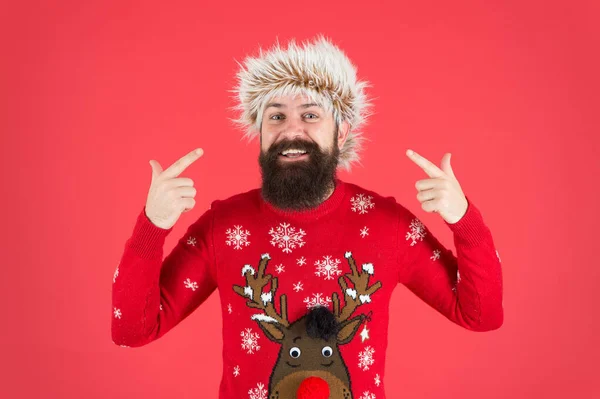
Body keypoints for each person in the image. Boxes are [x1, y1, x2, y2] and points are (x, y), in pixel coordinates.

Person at [111, 34, 503, 399]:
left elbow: (481, 315)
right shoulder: (224, 227)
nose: (291, 130)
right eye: (276, 117)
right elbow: (132, 330)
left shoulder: (388, 225)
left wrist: (463, 220)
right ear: (260, 132)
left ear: (342, 131)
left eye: (311, 115)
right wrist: (152, 226)